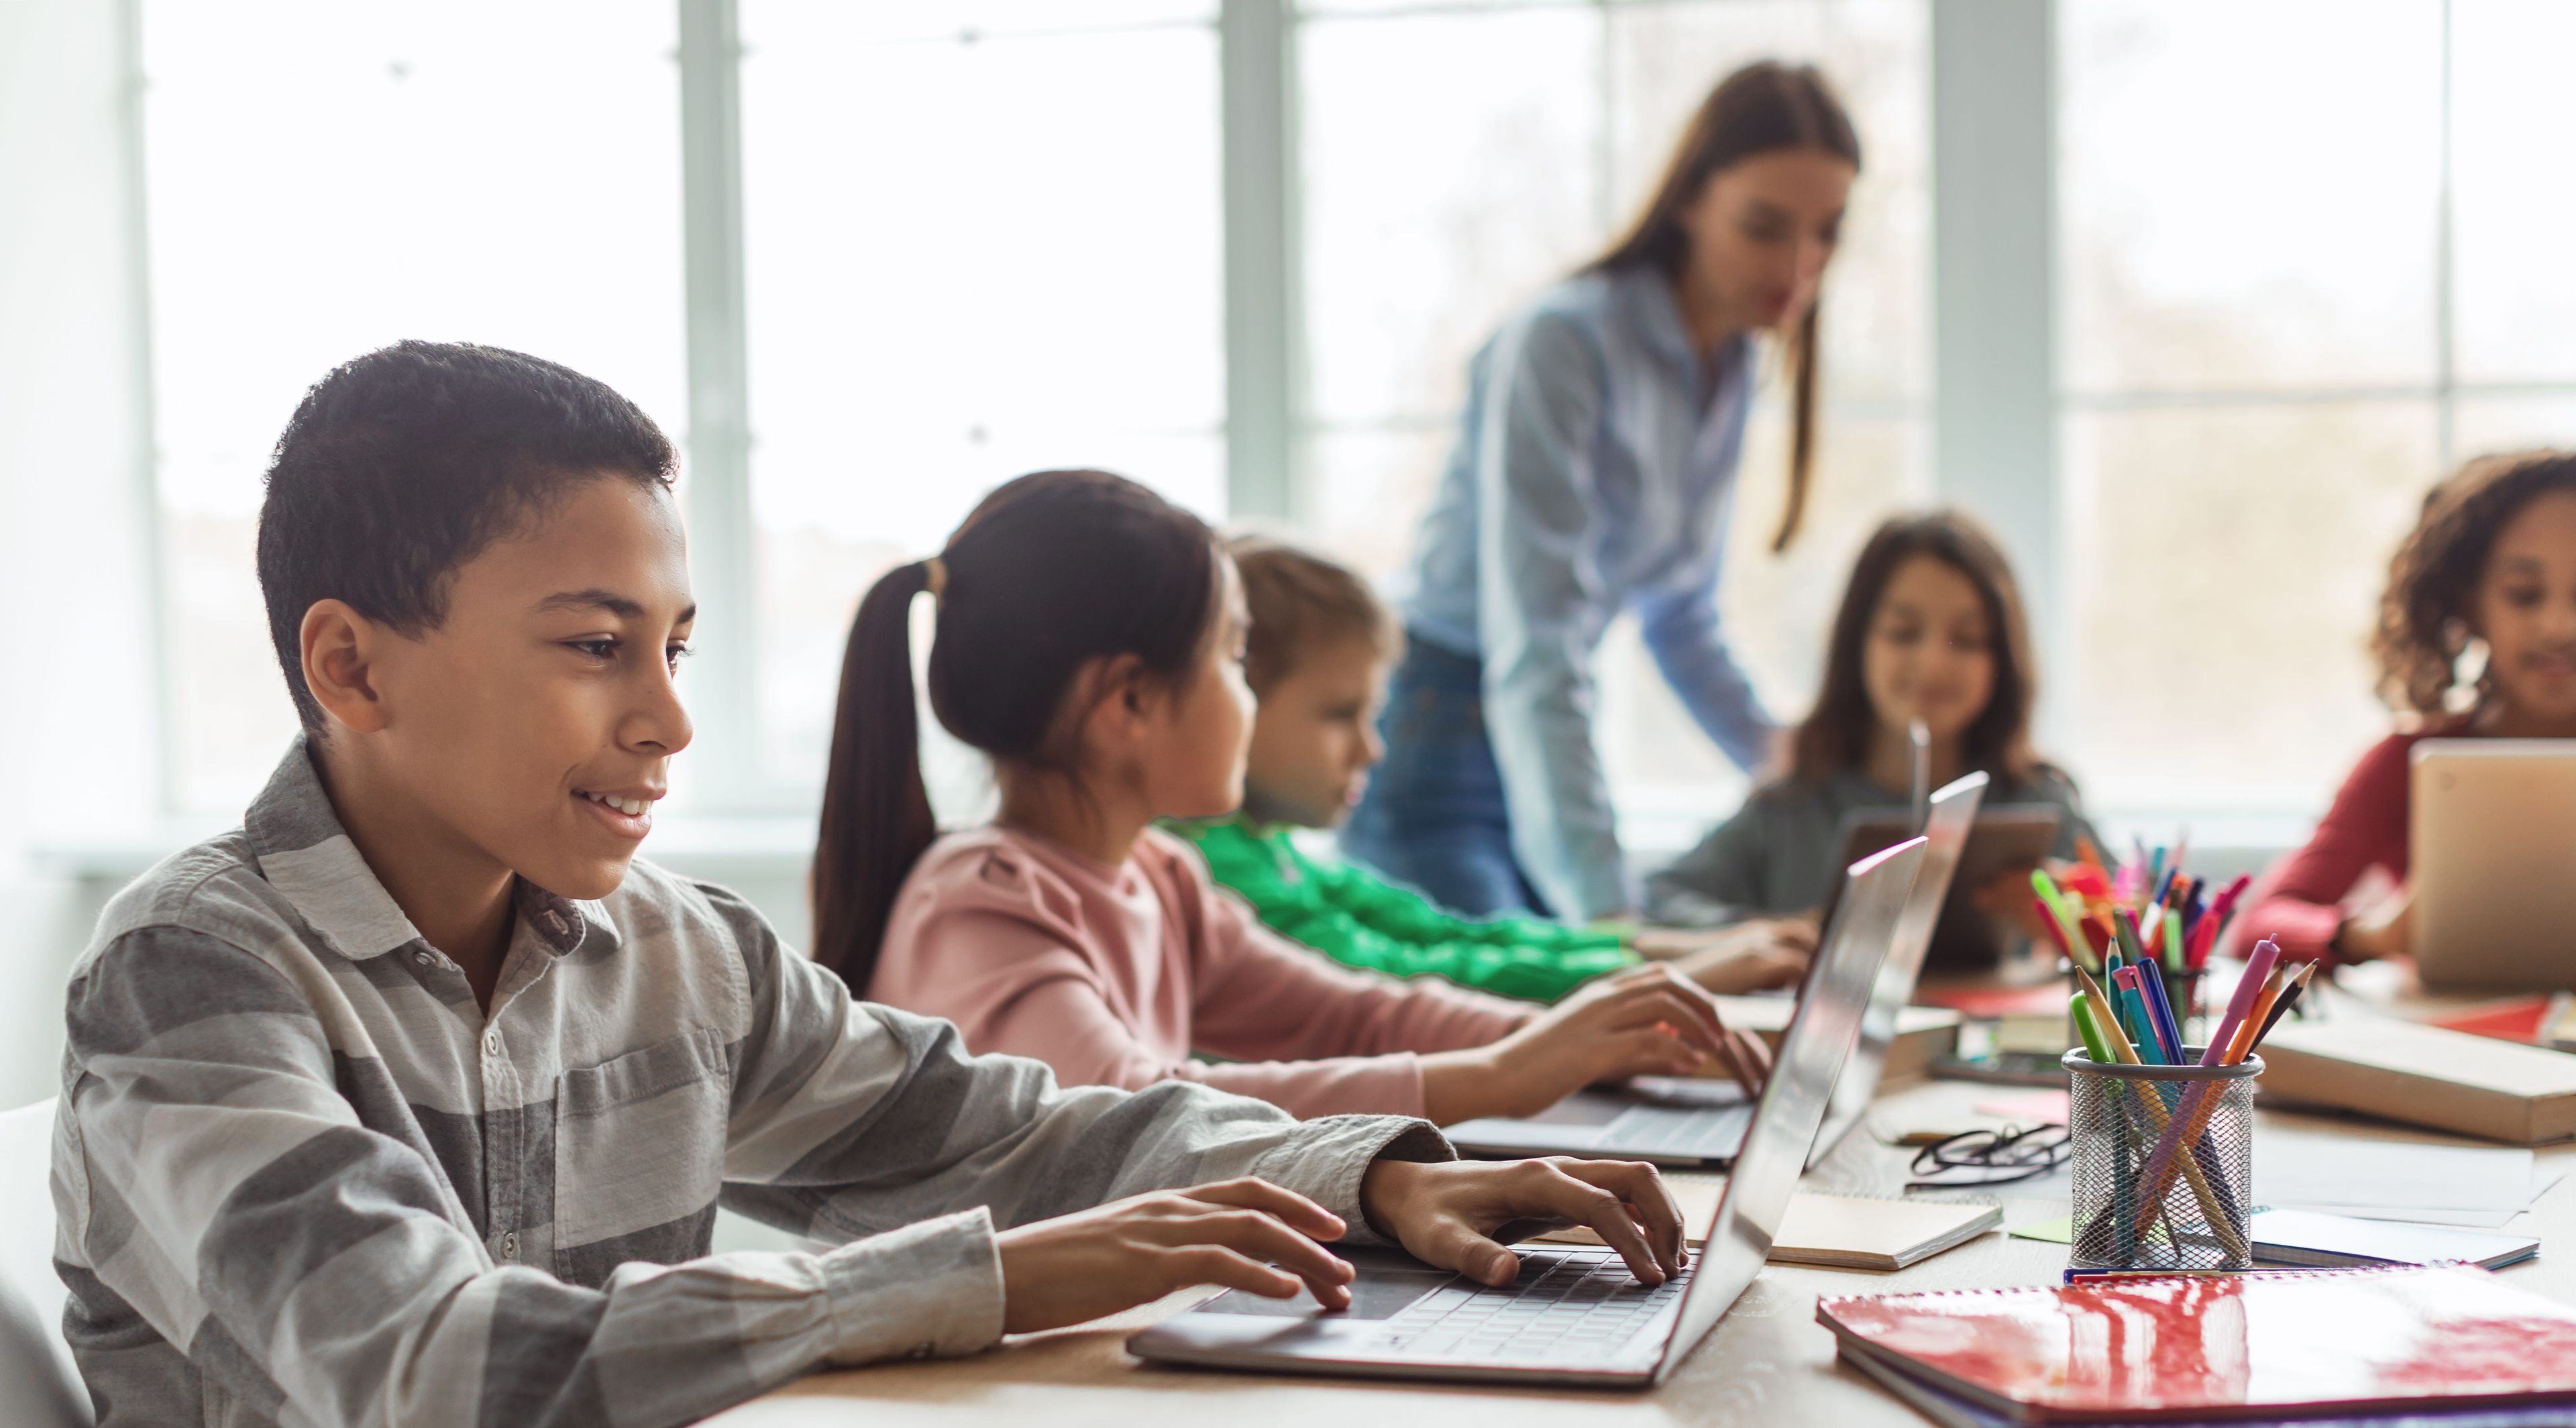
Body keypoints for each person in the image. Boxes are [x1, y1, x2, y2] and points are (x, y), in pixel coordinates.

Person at [52, 343, 1692, 1428]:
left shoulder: (679, 955)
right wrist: (975, 1277)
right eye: (593, 645)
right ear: (351, 663)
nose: (668, 717)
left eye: (675, 647)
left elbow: (1021, 1133)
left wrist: (1368, 1179)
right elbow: (423, 1365)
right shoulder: (192, 979)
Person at [818, 471, 1774, 1125]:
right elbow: (1139, 1113)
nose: (1247, 690)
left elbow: (1360, 1016)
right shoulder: (980, 900)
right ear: (1132, 701)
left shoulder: (1162, 877)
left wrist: (1580, 1041)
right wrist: (1498, 1075)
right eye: (1235, 658)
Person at [1342, 60, 1862, 921]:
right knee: (1526, 1015)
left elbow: (1681, 613)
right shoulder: (1563, 343)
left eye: (1827, 233)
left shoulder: (1730, 359)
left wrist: (1793, 764)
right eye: (1766, 227)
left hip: (1532, 731)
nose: (1800, 267)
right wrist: (1608, 916)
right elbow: (1536, 648)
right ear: (1690, 200)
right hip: (1437, 736)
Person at [1172, 533, 1811, 1001]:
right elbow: (1396, 973)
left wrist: (1691, 950)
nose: (1372, 749)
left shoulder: (1276, 851)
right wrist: (1665, 976)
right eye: (1341, 715)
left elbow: (1445, 932)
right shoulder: (1209, 871)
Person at [1646, 510, 2098, 972]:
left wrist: (2077, 922)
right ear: (1857, 641)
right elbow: (1657, 902)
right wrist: (1759, 935)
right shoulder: (1790, 807)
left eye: (1967, 639)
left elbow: (2140, 925)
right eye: (1903, 633)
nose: (1933, 664)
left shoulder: (2041, 800)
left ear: (2001, 656)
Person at [2241, 450, 2576, 965]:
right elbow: (2259, 926)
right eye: (2524, 594)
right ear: (2470, 604)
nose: (2560, 626)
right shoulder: (2408, 761)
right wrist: (2373, 935)